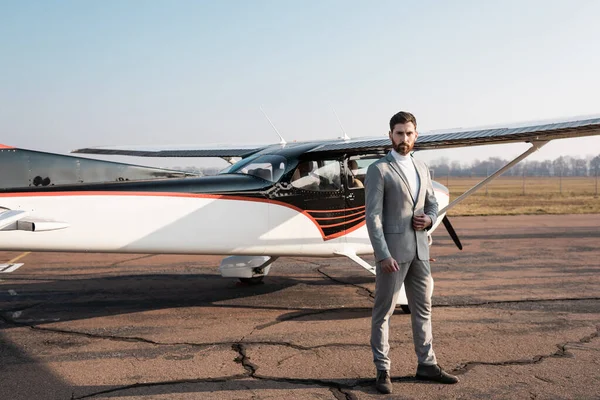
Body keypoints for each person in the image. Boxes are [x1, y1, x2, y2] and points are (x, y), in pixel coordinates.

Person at [365, 111, 459, 394]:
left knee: (423, 309)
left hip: (419, 251)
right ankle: (383, 370)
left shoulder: (422, 168)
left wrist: (430, 219)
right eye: (398, 133)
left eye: (408, 133)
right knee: (383, 312)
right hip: (392, 256)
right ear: (390, 135)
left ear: (416, 135)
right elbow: (373, 217)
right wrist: (382, 254)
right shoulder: (379, 169)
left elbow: (432, 205)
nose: (403, 138)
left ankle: (427, 365)